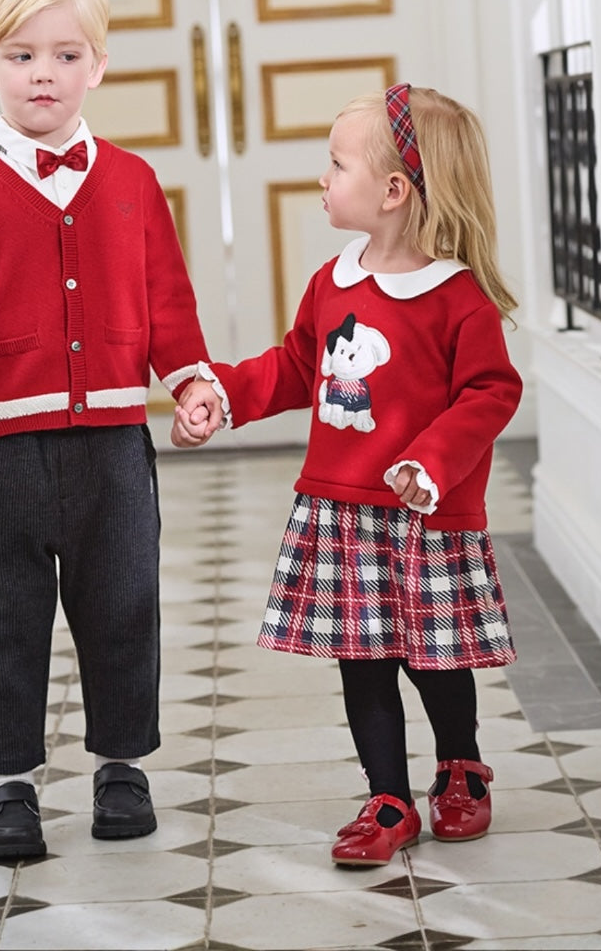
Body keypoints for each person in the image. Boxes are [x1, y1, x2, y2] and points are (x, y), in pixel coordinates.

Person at [172, 83, 522, 866]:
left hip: (425, 517)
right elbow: (299, 365)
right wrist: (224, 394)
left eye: (337, 164)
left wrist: (431, 463)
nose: (323, 178)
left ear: (393, 191)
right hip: (342, 512)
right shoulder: (333, 282)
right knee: (363, 665)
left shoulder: (458, 299)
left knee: (436, 661)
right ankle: (388, 798)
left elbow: (491, 392)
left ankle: (460, 767)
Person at [0, 0, 210, 862]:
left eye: (65, 55)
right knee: (6, 619)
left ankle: (122, 766)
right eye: (20, 55)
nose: (43, 73)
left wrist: (191, 380)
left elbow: (167, 298)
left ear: (98, 66)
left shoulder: (131, 181)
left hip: (112, 444)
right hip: (0, 450)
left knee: (122, 606)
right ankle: (9, 784)